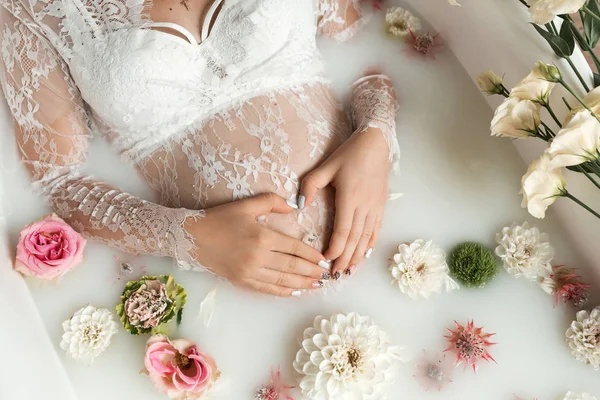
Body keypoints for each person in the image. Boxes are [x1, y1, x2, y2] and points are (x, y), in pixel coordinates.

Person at [0, 0, 400, 296]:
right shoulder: (30, 8)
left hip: (402, 245)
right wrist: (185, 238)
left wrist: (376, 135)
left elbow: (376, 45)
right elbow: (59, 180)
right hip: (202, 314)